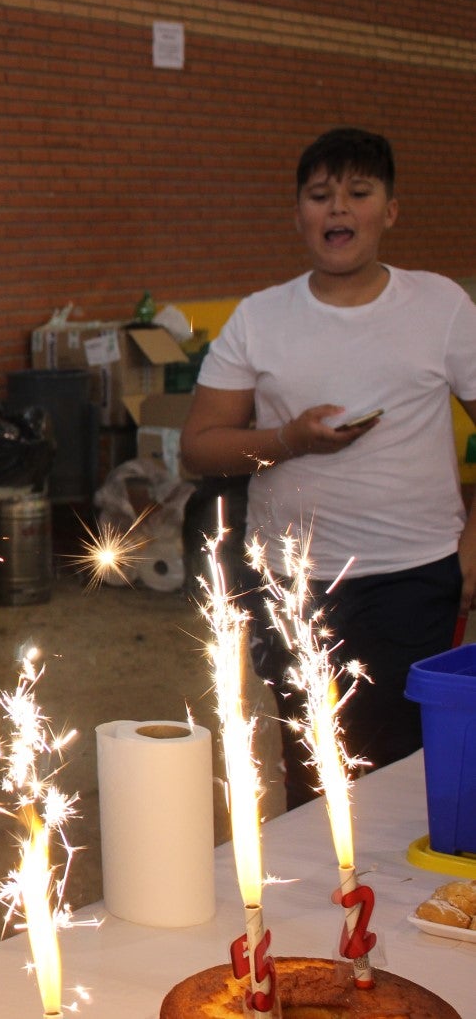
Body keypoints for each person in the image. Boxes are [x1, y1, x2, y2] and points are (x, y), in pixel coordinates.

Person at [182, 126, 476, 809]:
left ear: (389, 211)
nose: (336, 208)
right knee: (314, 765)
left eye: (357, 192)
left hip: (414, 577)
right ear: (297, 215)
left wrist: (472, 543)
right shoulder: (259, 318)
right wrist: (289, 439)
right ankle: (325, 909)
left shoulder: (440, 308)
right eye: (319, 195)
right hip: (295, 582)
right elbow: (198, 447)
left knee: (407, 767)